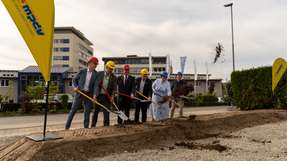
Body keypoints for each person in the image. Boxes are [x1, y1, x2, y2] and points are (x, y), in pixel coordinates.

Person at [65, 56, 99, 130]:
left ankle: (86, 128)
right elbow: (74, 80)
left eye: (96, 64)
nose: (96, 65)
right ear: (89, 63)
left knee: (87, 112)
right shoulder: (82, 71)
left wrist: (95, 95)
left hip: (88, 95)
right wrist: (75, 87)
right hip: (80, 93)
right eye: (95, 64)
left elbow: (96, 86)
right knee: (73, 111)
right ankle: (66, 128)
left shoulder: (96, 74)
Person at [91, 60, 117, 127]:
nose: (111, 70)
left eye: (112, 69)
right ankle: (93, 126)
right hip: (98, 96)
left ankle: (106, 127)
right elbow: (96, 85)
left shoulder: (114, 77)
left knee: (106, 112)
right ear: (106, 67)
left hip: (106, 97)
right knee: (95, 112)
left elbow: (114, 89)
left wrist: (112, 97)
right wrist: (94, 95)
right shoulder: (99, 74)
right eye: (110, 68)